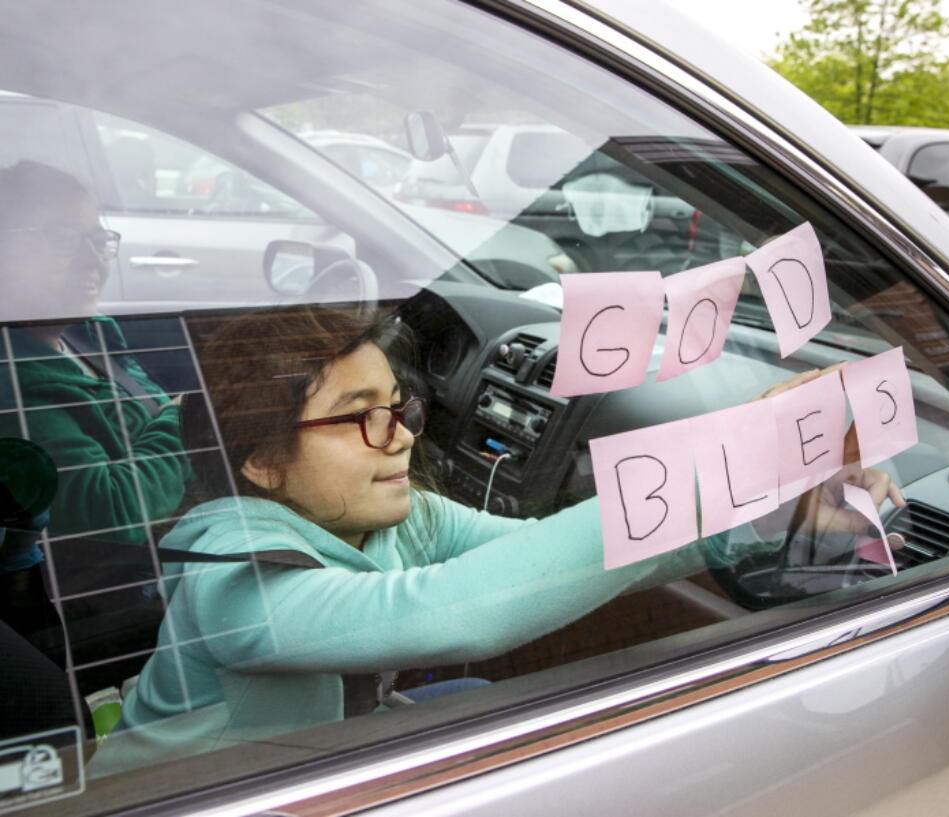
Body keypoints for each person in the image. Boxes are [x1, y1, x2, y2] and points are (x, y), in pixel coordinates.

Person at [90, 305, 903, 774]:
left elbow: (541, 553)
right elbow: (456, 611)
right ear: (265, 459)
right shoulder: (236, 578)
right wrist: (735, 454)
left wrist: (773, 509)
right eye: (359, 416)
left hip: (317, 759)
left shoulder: (397, 514)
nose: (401, 435)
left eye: (400, 406)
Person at [0, 161, 188, 667]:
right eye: (62, 240)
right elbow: (114, 509)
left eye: (98, 239)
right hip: (111, 614)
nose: (91, 260)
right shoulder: (9, 379)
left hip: (174, 567)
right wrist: (178, 422)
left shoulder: (88, 333)